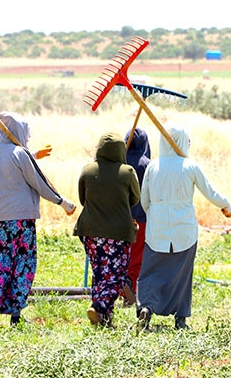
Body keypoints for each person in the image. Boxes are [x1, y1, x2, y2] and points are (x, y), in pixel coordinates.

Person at [0, 112, 75, 328]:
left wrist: (33, 154)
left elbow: (12, 165)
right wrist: (62, 202)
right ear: (18, 131)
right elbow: (39, 181)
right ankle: (16, 315)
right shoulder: (21, 154)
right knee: (22, 264)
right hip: (20, 219)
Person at [137, 123, 231, 330]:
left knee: (151, 271)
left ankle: (147, 306)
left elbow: (144, 201)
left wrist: (156, 214)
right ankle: (180, 319)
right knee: (181, 273)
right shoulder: (190, 166)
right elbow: (210, 192)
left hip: (157, 229)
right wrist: (226, 205)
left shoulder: (153, 167)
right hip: (184, 229)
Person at [73, 132, 140, 327]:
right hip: (118, 233)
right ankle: (99, 306)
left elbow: (82, 198)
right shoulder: (127, 172)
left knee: (100, 272)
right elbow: (135, 199)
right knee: (117, 274)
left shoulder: (87, 171)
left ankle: (104, 317)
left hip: (90, 231)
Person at [121, 127, 151, 306]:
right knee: (136, 257)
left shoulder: (119, 162)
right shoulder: (147, 164)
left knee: (120, 255)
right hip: (140, 217)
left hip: (119, 218)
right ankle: (130, 292)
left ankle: (117, 288)